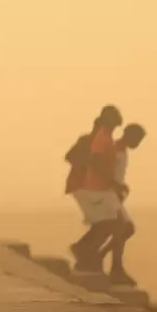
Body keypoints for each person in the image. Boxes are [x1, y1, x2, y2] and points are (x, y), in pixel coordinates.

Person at [65, 105, 123, 273]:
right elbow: (72, 157)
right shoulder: (90, 140)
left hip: (92, 186)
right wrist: (86, 166)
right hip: (83, 186)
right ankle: (85, 255)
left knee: (103, 225)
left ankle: (87, 256)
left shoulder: (103, 140)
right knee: (107, 224)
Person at [96, 123, 146, 286]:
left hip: (115, 196)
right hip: (108, 195)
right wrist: (115, 187)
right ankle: (112, 266)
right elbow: (104, 171)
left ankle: (107, 261)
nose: (138, 144)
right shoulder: (115, 150)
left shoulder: (122, 151)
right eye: (137, 140)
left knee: (124, 229)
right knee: (124, 228)